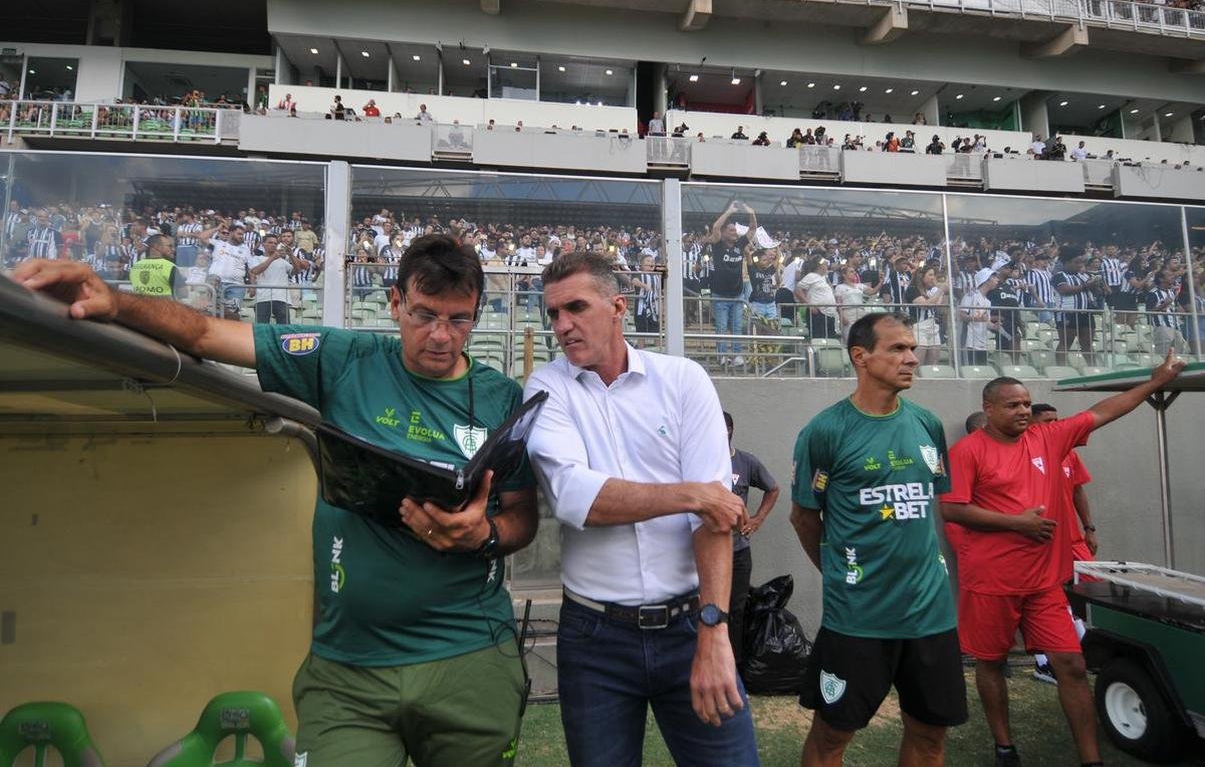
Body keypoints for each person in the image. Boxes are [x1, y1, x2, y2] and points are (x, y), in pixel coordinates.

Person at [13, 236, 540, 767]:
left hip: (470, 655)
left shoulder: (499, 398)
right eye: (425, 314)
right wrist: (116, 301)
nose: (441, 336)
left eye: (460, 320)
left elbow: (522, 516)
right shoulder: (343, 360)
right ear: (395, 301)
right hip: (349, 670)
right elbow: (205, 332)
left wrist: (484, 536)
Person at [523, 251, 759, 766]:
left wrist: (714, 629)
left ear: (618, 307)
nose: (562, 326)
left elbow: (714, 520)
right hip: (594, 637)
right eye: (553, 315)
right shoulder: (546, 388)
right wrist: (690, 492)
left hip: (690, 619)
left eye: (576, 308)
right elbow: (574, 497)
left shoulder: (683, 380)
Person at [940, 354, 1185, 767]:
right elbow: (952, 510)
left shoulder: (1047, 438)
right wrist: (1016, 524)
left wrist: (1153, 383)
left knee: (1071, 663)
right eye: (1012, 405)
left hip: (1043, 583)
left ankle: (1090, 760)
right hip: (991, 582)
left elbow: (1102, 411)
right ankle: (1005, 747)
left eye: (1025, 403)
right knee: (992, 663)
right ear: (989, 409)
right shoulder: (968, 451)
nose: (1022, 411)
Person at [790, 312, 967, 767]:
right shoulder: (825, 432)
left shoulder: (927, 424)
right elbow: (805, 518)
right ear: (860, 356)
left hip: (931, 615)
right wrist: (841, 572)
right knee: (832, 737)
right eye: (898, 349)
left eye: (913, 348)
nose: (912, 358)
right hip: (859, 619)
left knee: (930, 736)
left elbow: (928, 507)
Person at [1028, 403, 1095, 686]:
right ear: (1031, 424)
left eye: (1058, 419)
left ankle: (1084, 647)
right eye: (1047, 420)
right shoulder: (1026, 452)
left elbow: (1078, 490)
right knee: (1045, 598)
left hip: (1074, 539)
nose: (1055, 424)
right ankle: (1043, 662)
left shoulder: (1069, 453)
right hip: (1042, 541)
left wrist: (1089, 527)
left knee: (1091, 587)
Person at [723, 411, 779, 669]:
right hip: (701, 551)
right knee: (704, 609)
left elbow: (773, 488)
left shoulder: (745, 462)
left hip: (738, 552)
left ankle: (732, 668)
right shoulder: (697, 461)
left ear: (730, 430)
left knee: (735, 610)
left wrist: (757, 519)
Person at [702, 200, 757, 367]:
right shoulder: (718, 244)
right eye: (731, 230)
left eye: (735, 230)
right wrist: (729, 211)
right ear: (724, 233)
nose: (735, 233)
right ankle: (722, 355)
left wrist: (751, 213)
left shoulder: (740, 245)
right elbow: (715, 227)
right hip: (720, 295)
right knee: (721, 327)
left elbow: (752, 229)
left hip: (737, 294)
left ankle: (737, 355)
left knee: (736, 327)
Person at [128, 234, 182, 299]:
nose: (173, 249)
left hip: (140, 307)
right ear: (157, 246)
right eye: (169, 246)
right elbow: (183, 293)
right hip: (162, 307)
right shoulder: (169, 266)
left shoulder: (135, 266)